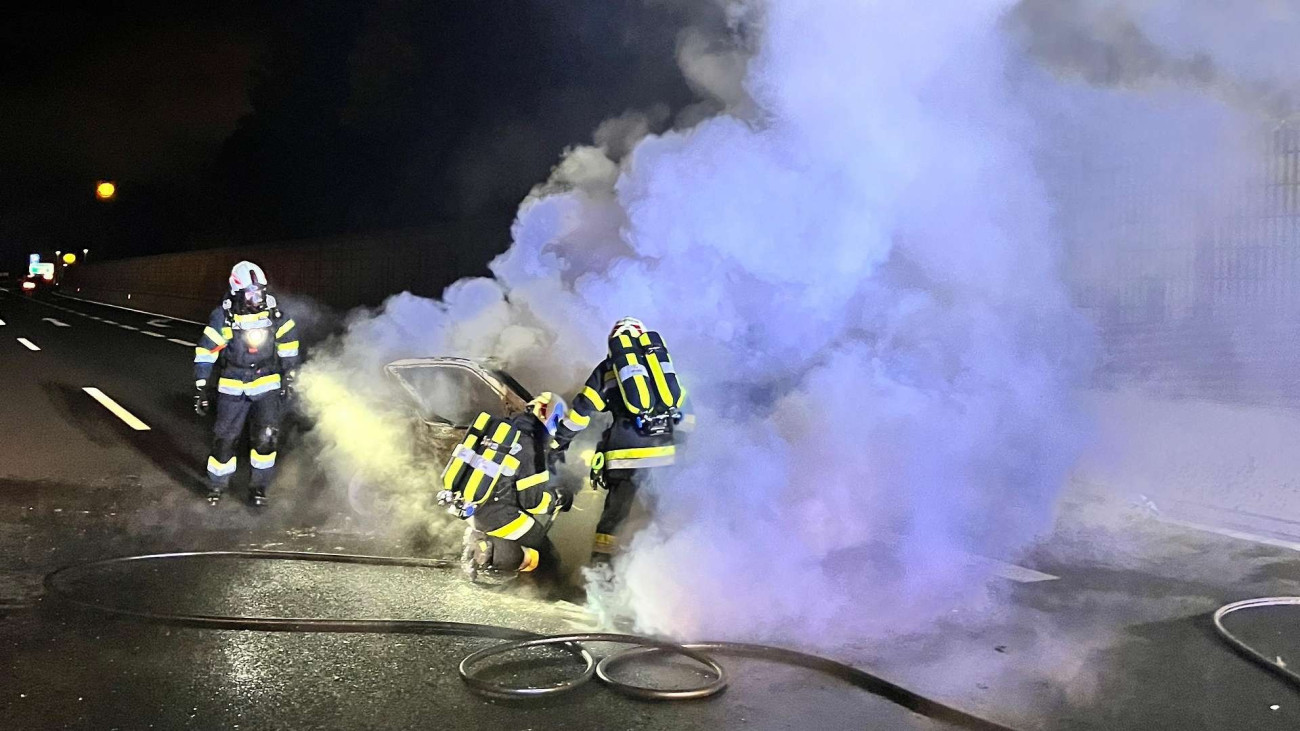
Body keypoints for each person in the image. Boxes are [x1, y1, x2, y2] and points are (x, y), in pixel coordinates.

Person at [551, 317, 688, 564]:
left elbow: (581, 413)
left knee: (614, 518)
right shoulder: (663, 371)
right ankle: (666, 569)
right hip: (666, 457)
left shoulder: (608, 369)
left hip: (625, 459)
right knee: (660, 515)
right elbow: (686, 416)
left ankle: (601, 571)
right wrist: (681, 447)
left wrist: (559, 441)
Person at [193, 261, 300, 506]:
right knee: (225, 440)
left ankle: (258, 487)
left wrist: (290, 375)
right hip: (233, 385)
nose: (257, 298)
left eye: (260, 292)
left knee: (266, 438)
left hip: (267, 384)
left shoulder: (275, 315)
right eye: (250, 294)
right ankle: (217, 485)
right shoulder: (224, 317)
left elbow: (289, 345)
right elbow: (207, 352)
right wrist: (201, 386)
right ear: (237, 293)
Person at [440, 393, 574, 582]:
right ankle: (497, 560)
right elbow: (533, 502)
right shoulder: (532, 446)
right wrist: (558, 499)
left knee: (518, 525)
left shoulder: (502, 431)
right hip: (498, 516)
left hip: (470, 506)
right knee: (545, 551)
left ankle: (484, 545)